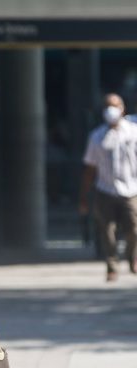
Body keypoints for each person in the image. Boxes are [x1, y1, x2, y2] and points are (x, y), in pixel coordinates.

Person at [80, 93, 137, 282]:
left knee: (133, 229)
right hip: (105, 190)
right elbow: (90, 168)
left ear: (123, 108)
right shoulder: (96, 136)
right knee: (107, 232)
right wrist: (84, 196)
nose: (111, 110)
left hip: (131, 190)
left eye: (115, 105)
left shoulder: (134, 131)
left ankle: (133, 257)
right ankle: (112, 266)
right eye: (107, 106)